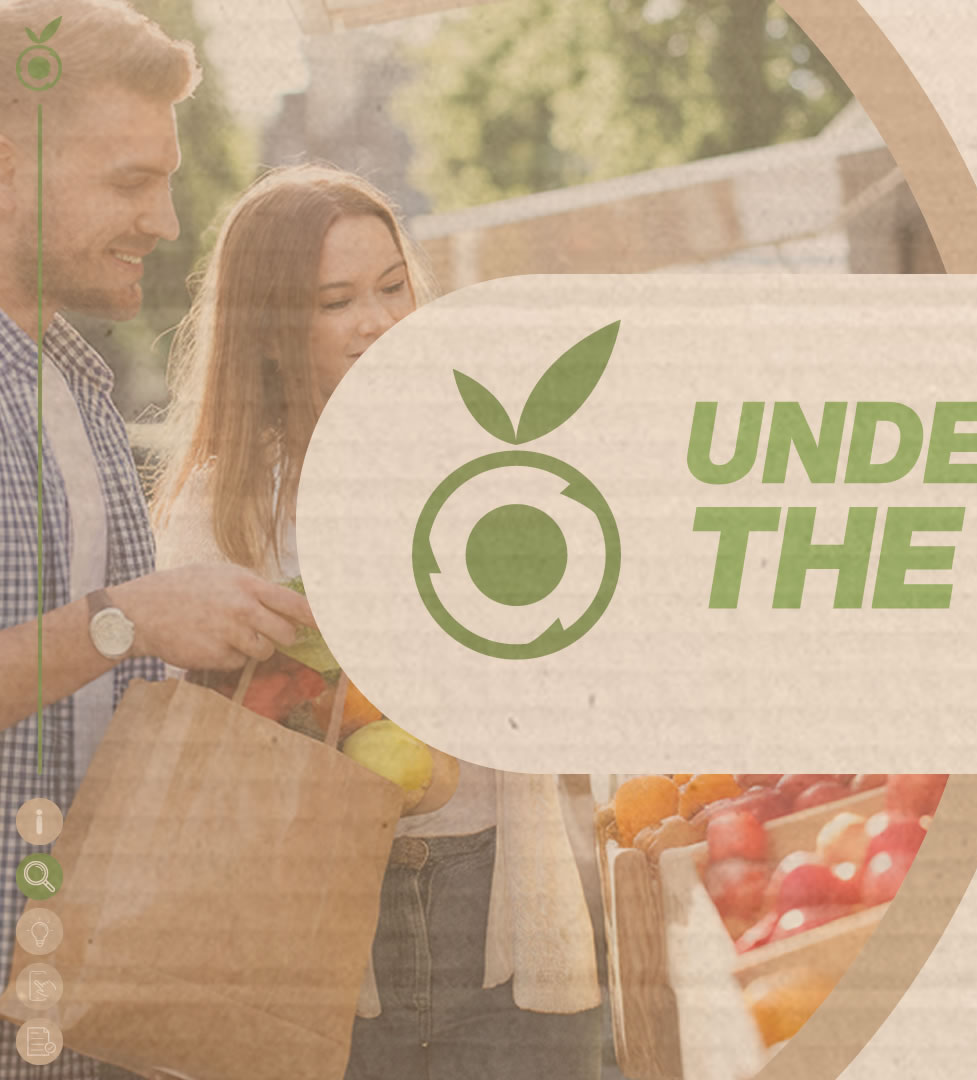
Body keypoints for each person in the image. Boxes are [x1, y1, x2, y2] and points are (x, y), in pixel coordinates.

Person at [148, 164, 604, 1080]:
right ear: (272, 331)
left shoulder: (491, 455)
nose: (379, 321)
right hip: (321, 921)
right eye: (337, 301)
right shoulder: (223, 506)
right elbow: (209, 743)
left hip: (501, 894)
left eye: (393, 287)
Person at [0, 3, 313, 1076]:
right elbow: (105, 633)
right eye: (130, 182)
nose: (169, 223)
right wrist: (127, 619)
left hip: (84, 1015)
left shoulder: (79, 393)